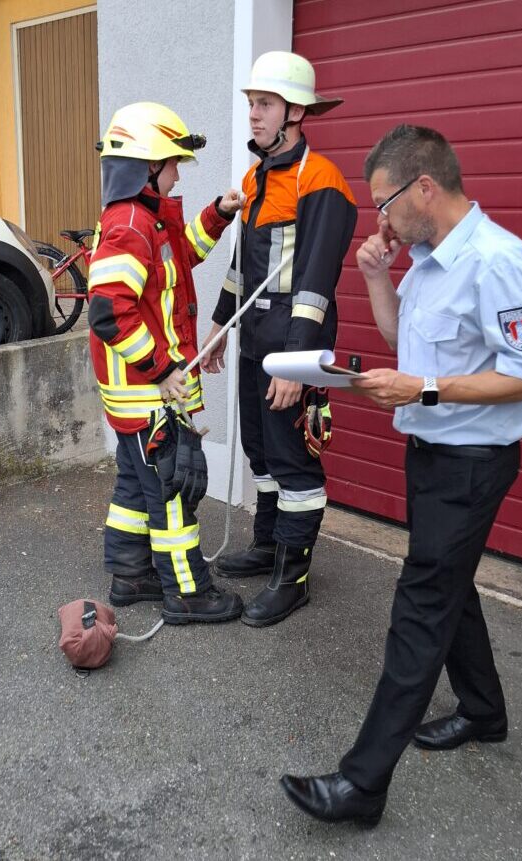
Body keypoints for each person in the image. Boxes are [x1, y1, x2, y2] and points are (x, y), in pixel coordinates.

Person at [280, 124, 522, 823]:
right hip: (429, 454)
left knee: (421, 603)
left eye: (384, 201)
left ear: (424, 188)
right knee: (448, 579)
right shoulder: (428, 258)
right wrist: (376, 277)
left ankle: (361, 782)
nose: (379, 218)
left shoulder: (497, 261)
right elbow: (398, 341)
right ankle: (482, 710)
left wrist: (426, 389)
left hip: (470, 463)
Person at [201, 51, 358, 627]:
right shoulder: (255, 178)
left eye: (263, 105)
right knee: (261, 455)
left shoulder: (322, 180)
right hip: (252, 344)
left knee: (294, 465)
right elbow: (245, 267)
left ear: (296, 111)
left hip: (291, 349)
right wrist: (220, 328)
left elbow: (316, 281)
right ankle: (267, 547)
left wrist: (294, 366)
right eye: (251, 104)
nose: (254, 115)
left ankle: (292, 579)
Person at [88, 101, 244, 625]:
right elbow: (109, 313)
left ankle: (130, 576)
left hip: (138, 396)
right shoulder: (131, 223)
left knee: (137, 487)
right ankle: (188, 592)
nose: (179, 171)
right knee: (174, 495)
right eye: (173, 161)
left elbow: (184, 254)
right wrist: (160, 369)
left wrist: (218, 214)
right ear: (147, 166)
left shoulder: (145, 219)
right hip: (149, 393)